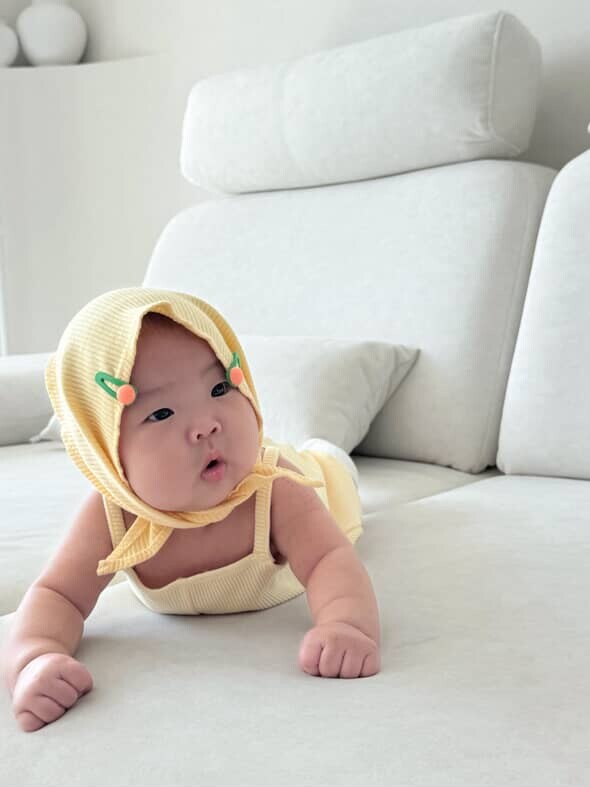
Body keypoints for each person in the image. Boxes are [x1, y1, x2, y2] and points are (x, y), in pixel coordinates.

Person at [1, 288, 380, 733]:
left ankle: (329, 451)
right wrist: (34, 658)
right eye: (161, 413)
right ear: (103, 447)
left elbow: (328, 559)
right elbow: (58, 594)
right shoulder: (112, 513)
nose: (205, 425)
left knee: (331, 466)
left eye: (219, 388)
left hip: (321, 484)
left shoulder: (275, 487)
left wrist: (347, 626)